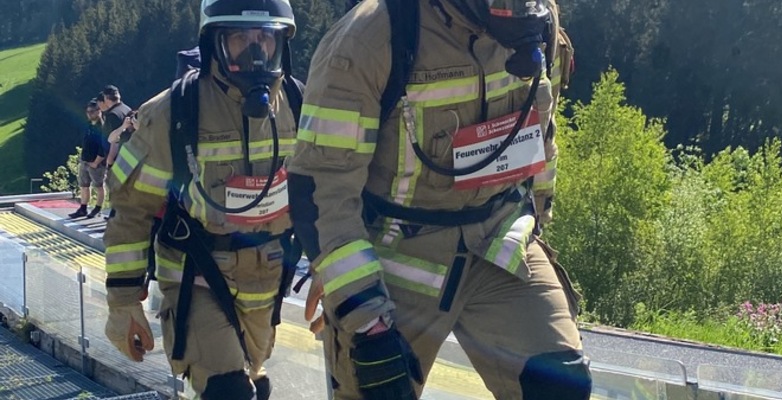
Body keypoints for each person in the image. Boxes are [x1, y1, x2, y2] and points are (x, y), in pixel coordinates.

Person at [287, 0, 592, 399]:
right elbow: (321, 187)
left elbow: (542, 130)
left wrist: (539, 213)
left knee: (560, 387)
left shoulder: (538, 17)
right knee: (383, 387)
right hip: (395, 258)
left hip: (499, 242)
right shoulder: (372, 36)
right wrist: (359, 311)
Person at [102, 0, 301, 398]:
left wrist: (335, 275)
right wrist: (123, 301)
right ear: (214, 44)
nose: (255, 50)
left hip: (267, 278)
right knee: (229, 391)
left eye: (266, 38)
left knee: (254, 384)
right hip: (198, 275)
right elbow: (131, 210)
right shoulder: (173, 113)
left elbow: (322, 195)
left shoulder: (299, 106)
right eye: (240, 38)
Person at [69, 99, 107, 219]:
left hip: (97, 163)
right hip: (85, 160)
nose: (89, 114)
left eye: (92, 111)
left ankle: (98, 208)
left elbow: (104, 147)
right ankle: (83, 208)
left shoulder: (103, 127)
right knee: (84, 185)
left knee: (99, 186)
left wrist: (97, 162)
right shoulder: (89, 125)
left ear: (99, 111)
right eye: (88, 112)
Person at [99, 85, 132, 169]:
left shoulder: (112, 115)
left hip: (120, 158)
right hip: (131, 151)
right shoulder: (126, 108)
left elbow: (113, 140)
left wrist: (110, 162)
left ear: (106, 98)